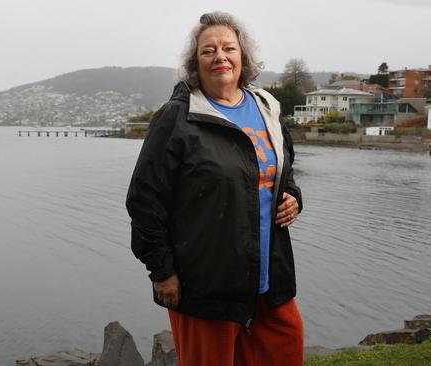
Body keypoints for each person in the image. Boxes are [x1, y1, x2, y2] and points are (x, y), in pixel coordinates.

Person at [126, 11, 303, 366]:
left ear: (243, 57)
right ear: (195, 63)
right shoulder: (177, 117)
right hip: (205, 282)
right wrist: (162, 271)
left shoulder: (266, 107)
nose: (220, 57)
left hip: (270, 276)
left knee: (286, 346)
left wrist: (294, 198)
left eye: (228, 48)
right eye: (208, 51)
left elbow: (283, 170)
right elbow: (144, 200)